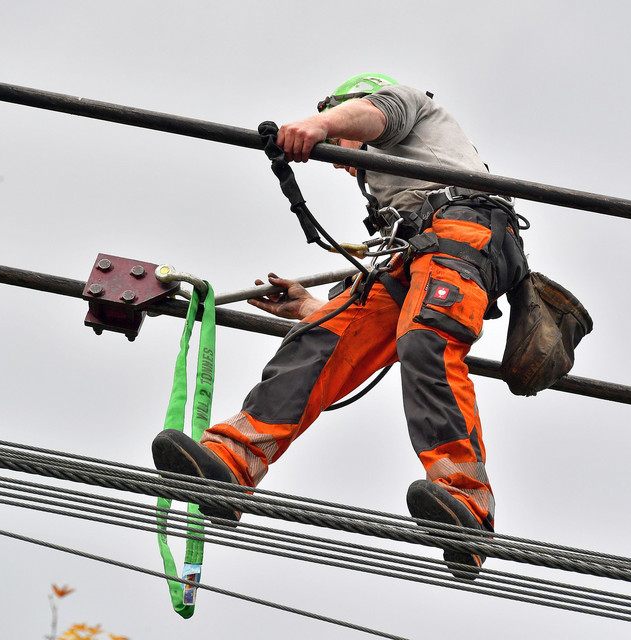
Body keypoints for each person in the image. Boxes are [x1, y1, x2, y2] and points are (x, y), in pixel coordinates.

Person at [153, 74, 528, 579]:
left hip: (467, 233)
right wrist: (311, 308)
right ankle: (233, 464)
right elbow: (366, 319)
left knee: (426, 341)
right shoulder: (391, 191)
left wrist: (315, 125)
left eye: (338, 141)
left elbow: (372, 116)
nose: (335, 155)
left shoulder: (405, 108)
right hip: (415, 255)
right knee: (321, 339)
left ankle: (468, 505)